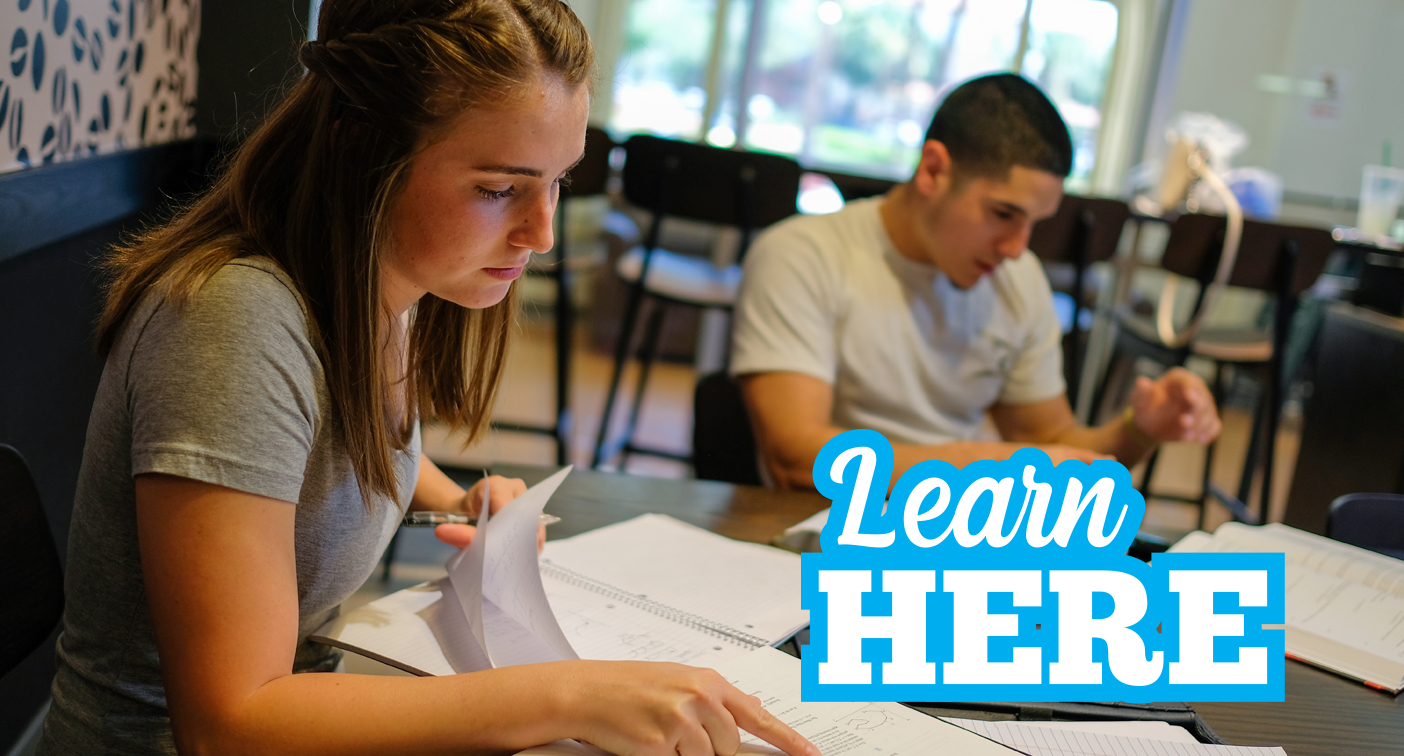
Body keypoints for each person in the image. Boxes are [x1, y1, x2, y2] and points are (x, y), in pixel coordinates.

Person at [38, 2, 817, 754]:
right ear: (359, 152)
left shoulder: (377, 285)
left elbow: (317, 446)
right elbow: (233, 724)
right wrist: (575, 693)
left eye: (558, 182)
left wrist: (451, 496)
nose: (540, 232)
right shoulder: (233, 319)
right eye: (497, 189)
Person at [731, 74, 1221, 491]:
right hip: (821, 542)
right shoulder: (803, 255)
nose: (1015, 247)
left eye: (1034, 224)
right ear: (933, 171)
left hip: (955, 539)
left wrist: (1139, 429)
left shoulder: (1017, 278)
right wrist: (985, 468)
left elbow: (1051, 446)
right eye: (1002, 214)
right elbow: (794, 458)